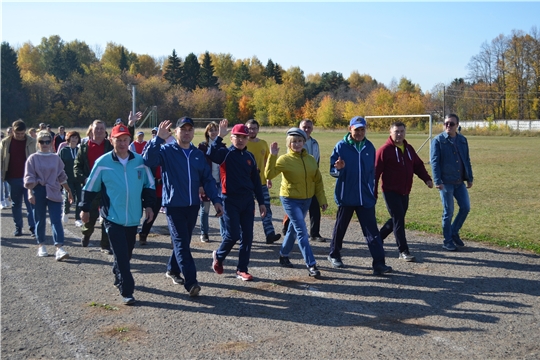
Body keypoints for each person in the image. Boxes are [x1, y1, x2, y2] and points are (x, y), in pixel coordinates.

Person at [144, 117, 223, 296]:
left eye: (190, 129)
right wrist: (158, 139)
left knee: (183, 241)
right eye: (183, 129)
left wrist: (216, 200)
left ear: (193, 132)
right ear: (176, 132)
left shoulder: (197, 154)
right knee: (181, 243)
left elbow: (208, 179)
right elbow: (148, 161)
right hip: (173, 206)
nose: (186, 132)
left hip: (192, 205)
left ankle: (172, 269)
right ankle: (191, 281)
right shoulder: (166, 150)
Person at [80, 124, 156, 305]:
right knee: (122, 256)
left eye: (125, 140)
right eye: (118, 140)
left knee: (126, 254)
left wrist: (149, 206)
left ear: (130, 140)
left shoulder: (139, 162)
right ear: (111, 140)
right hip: (112, 217)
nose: (122, 143)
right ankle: (127, 290)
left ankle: (118, 272)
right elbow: (89, 188)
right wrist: (84, 209)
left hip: (132, 217)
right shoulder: (103, 162)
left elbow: (149, 186)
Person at [327, 116, 392, 275]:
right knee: (340, 228)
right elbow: (332, 171)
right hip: (346, 196)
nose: (360, 133)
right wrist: (339, 169)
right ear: (350, 129)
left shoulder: (369, 147)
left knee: (372, 232)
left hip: (365, 197)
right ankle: (334, 254)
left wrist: (371, 190)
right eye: (357, 130)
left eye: (362, 129)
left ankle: (379, 263)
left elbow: (371, 172)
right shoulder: (341, 146)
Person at [208, 119, 266, 282]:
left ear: (247, 138)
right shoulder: (225, 153)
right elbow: (211, 154)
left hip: (247, 201)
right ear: (232, 137)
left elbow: (255, 181)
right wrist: (219, 137)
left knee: (247, 236)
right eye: (237, 137)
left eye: (243, 137)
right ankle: (218, 256)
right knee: (233, 235)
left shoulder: (250, 157)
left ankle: (242, 269)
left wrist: (261, 202)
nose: (240, 140)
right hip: (230, 200)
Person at [265, 127, 328, 278]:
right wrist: (272, 156)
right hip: (290, 199)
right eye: (294, 141)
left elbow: (317, 181)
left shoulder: (311, 159)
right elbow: (269, 174)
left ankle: (283, 254)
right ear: (288, 143)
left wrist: (322, 200)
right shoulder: (284, 160)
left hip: (306, 199)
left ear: (304, 142)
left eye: (300, 141)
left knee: (293, 229)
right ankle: (311, 264)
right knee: (302, 231)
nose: (297, 144)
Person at [375, 121, 433, 262]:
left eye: (402, 131)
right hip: (390, 191)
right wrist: (373, 191)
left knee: (396, 219)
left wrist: (427, 179)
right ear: (390, 132)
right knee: (399, 220)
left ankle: (377, 238)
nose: (399, 134)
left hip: (405, 191)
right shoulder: (384, 150)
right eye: (396, 131)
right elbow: (375, 172)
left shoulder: (409, 149)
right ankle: (403, 251)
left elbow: (418, 166)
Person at [24, 130, 73, 260]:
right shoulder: (32, 158)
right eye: (41, 141)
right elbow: (29, 177)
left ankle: (59, 247)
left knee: (56, 219)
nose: (45, 144)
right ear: (37, 143)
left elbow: (61, 176)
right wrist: (30, 192)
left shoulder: (55, 158)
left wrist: (68, 191)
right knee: (39, 220)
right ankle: (41, 245)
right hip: (38, 190)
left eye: (47, 141)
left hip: (54, 190)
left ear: (51, 142)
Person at [430, 113, 473, 251]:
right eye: (446, 123)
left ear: (457, 125)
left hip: (459, 182)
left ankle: (454, 232)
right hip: (445, 182)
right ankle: (447, 240)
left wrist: (469, 178)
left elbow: (466, 160)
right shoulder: (438, 141)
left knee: (465, 207)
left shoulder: (462, 140)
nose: (448, 126)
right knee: (448, 212)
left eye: (451, 124)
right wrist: (437, 181)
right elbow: (434, 162)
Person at [282, 119, 325, 242]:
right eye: (304, 127)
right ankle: (287, 227)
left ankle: (315, 233)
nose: (306, 129)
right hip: (298, 180)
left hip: (311, 179)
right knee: (296, 208)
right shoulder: (295, 142)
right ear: (299, 127)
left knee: (315, 207)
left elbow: (317, 161)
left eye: (309, 127)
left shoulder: (315, 143)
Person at [74, 119, 113, 253]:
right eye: (97, 128)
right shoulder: (84, 147)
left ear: (105, 131)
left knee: (107, 216)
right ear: (92, 130)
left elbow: (124, 147)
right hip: (91, 187)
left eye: (102, 128)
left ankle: (105, 244)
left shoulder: (110, 146)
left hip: (107, 187)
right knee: (90, 216)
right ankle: (86, 234)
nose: (99, 131)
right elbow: (76, 167)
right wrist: (85, 179)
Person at [245, 119, 281, 244]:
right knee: (246, 211)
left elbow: (267, 163)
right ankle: (245, 236)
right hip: (246, 185)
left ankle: (269, 234)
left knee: (266, 208)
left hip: (261, 184)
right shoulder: (243, 143)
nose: (251, 130)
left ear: (258, 130)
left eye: (254, 128)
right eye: (249, 128)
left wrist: (268, 179)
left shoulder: (263, 144)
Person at [0, 119, 37, 236]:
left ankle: (33, 228)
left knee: (30, 203)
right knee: (16, 205)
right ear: (12, 131)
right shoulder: (6, 142)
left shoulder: (32, 141)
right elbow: (1, 158)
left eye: (22, 133)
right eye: (17, 134)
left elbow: (37, 158)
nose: (20, 136)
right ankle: (18, 227)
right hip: (13, 178)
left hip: (29, 178)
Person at [197, 121, 225, 243]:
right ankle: (204, 233)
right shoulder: (202, 147)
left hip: (220, 182)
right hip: (207, 182)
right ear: (207, 133)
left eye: (215, 130)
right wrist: (201, 184)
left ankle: (225, 234)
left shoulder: (222, 146)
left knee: (221, 208)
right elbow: (199, 167)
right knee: (205, 209)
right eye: (211, 130)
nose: (213, 132)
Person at [59, 131, 83, 227]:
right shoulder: (64, 151)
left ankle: (78, 218)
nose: (74, 140)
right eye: (72, 137)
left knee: (80, 198)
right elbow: (60, 165)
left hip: (78, 178)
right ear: (68, 139)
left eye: (76, 138)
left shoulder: (80, 150)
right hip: (67, 178)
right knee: (69, 196)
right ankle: (66, 211)